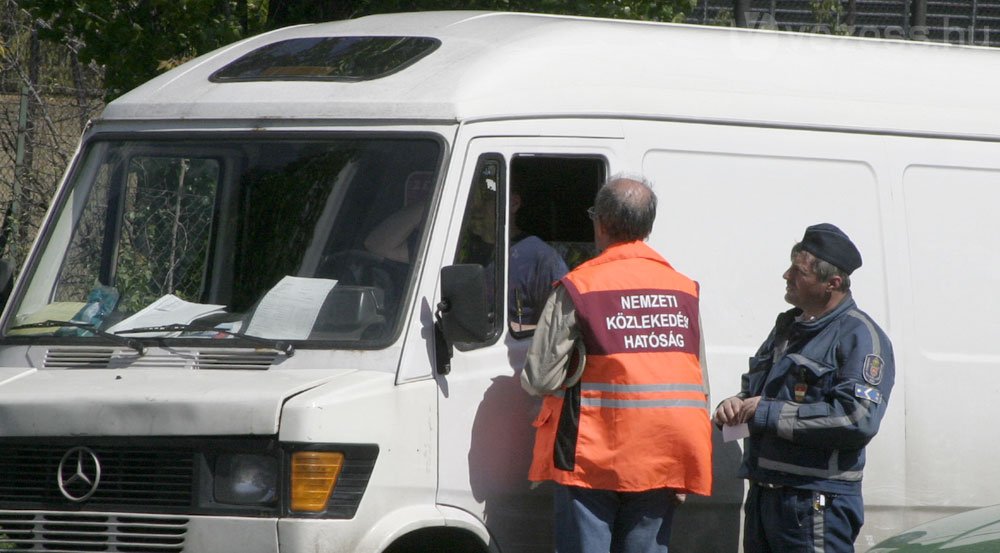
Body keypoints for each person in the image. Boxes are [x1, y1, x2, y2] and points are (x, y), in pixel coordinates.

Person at [521, 174, 712, 553]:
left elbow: (539, 378)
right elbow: (698, 380)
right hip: (664, 455)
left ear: (601, 222)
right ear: (648, 227)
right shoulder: (683, 289)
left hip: (594, 456)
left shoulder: (580, 286)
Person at [713, 223, 895, 553]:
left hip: (814, 501)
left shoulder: (859, 337)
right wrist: (734, 404)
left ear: (832, 283)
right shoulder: (788, 326)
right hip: (766, 495)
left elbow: (858, 419)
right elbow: (757, 391)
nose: (786, 276)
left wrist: (764, 411)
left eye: (798, 272)